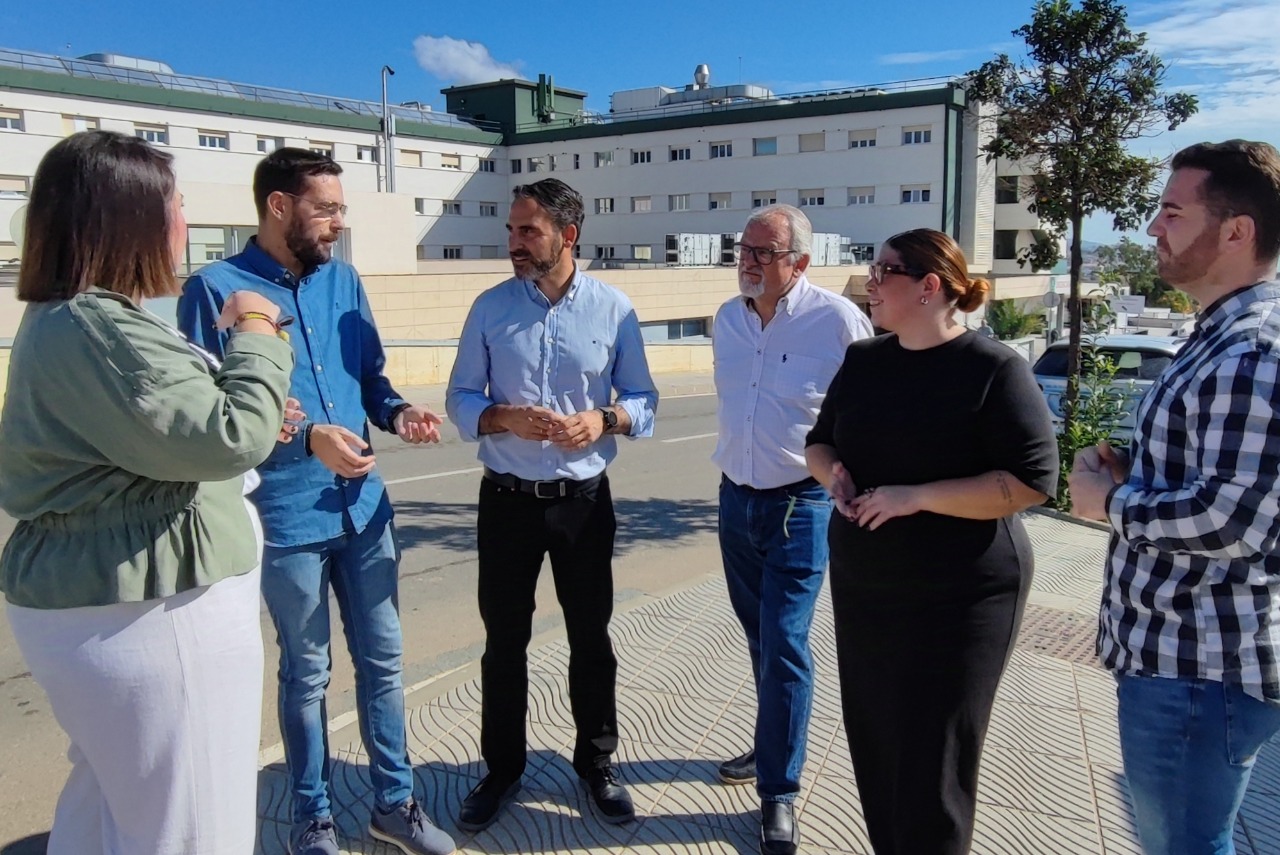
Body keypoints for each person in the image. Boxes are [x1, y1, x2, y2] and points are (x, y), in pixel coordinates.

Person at [0, 130, 293, 854]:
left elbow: (174, 424)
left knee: (110, 812)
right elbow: (227, 435)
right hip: (156, 615)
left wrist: (238, 399)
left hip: (118, 606)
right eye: (178, 205)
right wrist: (258, 329)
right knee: (195, 828)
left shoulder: (78, 318)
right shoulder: (97, 326)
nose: (186, 223)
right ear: (128, 218)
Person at [178, 149, 453, 855]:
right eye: (325, 208)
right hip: (286, 521)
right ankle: (313, 817)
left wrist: (400, 415)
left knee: (384, 662)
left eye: (340, 207)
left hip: (365, 514)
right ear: (278, 206)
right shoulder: (213, 292)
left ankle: (395, 803)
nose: (338, 221)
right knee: (307, 675)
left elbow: (372, 382)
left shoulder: (346, 282)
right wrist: (305, 446)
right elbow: (209, 424)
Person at [805, 228, 1057, 854]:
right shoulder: (864, 361)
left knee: (934, 758)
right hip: (868, 585)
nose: (870, 282)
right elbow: (820, 442)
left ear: (929, 286)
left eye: (883, 270)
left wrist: (914, 496)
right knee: (876, 738)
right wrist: (832, 474)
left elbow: (1030, 482)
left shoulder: (994, 369)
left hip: (962, 596)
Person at [1068, 139, 1280, 855]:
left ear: (1236, 231)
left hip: (1198, 671)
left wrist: (1109, 501)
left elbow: (1233, 520)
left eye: (1170, 212)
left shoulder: (1252, 350)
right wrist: (1138, 467)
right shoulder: (1218, 336)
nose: (1152, 229)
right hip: (1181, 663)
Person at [445, 178, 658, 832]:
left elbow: (645, 399)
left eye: (526, 231)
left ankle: (596, 765)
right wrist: (498, 414)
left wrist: (606, 419)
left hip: (584, 504)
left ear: (567, 236)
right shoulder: (488, 308)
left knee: (591, 636)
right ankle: (502, 769)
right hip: (506, 500)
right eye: (510, 230)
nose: (512, 241)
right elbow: (459, 398)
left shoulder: (614, 308)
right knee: (503, 641)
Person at [711, 204, 872, 855]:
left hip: (800, 507)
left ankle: (778, 793)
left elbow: (874, 400)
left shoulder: (837, 321)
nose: (746, 261)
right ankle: (769, 739)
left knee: (783, 643)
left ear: (800, 263)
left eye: (763, 252)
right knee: (760, 641)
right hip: (734, 502)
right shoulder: (727, 318)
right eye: (742, 249)